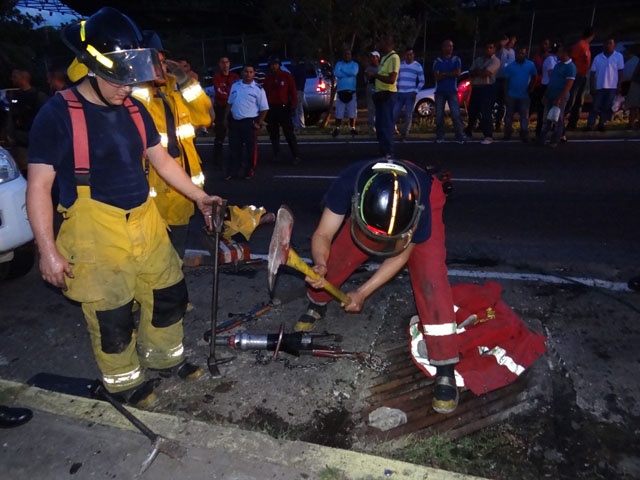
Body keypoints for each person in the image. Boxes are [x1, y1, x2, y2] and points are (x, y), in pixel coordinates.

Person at [25, 7, 224, 408]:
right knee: (112, 315)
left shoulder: (134, 109)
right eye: (118, 79)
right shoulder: (58, 114)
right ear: (90, 68)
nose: (127, 87)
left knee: (168, 291)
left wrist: (200, 197)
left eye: (130, 78)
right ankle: (123, 382)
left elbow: (163, 160)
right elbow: (38, 186)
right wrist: (47, 251)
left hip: (145, 221)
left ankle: (164, 359)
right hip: (93, 229)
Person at [295, 159, 460, 414]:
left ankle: (446, 365)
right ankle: (317, 302)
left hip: (425, 197)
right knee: (338, 254)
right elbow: (323, 234)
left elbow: (402, 256)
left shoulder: (421, 203)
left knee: (431, 278)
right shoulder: (348, 184)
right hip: (368, 210)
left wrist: (362, 292)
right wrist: (320, 265)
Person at [131, 32, 212, 259]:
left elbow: (205, 116)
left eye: (161, 60)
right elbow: (137, 104)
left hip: (182, 197)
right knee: (150, 262)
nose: (161, 66)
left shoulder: (172, 97)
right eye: (153, 60)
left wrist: (185, 80)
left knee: (174, 261)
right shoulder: (135, 97)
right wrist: (143, 77)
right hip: (150, 203)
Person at [225, 64, 269, 179]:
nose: (248, 74)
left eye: (250, 72)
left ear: (254, 74)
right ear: (242, 73)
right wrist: (225, 118)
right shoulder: (235, 86)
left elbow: (264, 108)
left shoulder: (258, 89)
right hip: (235, 121)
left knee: (251, 150)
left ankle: (249, 171)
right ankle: (233, 171)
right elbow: (230, 103)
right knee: (234, 148)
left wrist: (259, 123)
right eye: (246, 72)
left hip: (250, 122)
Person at [6, 68, 48, 173]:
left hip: (37, 137)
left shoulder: (38, 96)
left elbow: (47, 118)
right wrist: (10, 133)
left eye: (15, 77)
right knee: (23, 167)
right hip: (20, 138)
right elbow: (11, 115)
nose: (12, 79)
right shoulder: (15, 95)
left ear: (24, 78)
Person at [367, 35, 400, 157]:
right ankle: (383, 150)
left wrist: (375, 75)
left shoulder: (394, 57)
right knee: (380, 125)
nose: (378, 46)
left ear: (387, 44)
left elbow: (392, 79)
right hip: (380, 93)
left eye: (381, 43)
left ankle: (389, 152)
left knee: (386, 124)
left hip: (388, 93)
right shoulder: (385, 58)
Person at [263, 57, 300, 165]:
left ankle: (295, 155)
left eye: (275, 64)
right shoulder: (268, 78)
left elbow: (293, 91)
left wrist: (294, 105)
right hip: (271, 108)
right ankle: (277, 154)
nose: (274, 66)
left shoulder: (286, 76)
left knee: (289, 132)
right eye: (271, 65)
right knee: (273, 133)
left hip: (284, 107)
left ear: (279, 65)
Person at [537, 44, 576, 148]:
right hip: (551, 94)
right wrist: (546, 93)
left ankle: (555, 140)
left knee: (558, 119)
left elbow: (569, 85)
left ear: (565, 53)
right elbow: (552, 81)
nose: (557, 54)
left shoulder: (570, 67)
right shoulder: (558, 65)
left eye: (559, 52)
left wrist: (559, 98)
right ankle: (542, 138)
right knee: (546, 118)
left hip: (560, 96)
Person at [465, 41, 500, 144]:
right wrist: (480, 71)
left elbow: (487, 73)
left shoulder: (495, 60)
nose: (488, 50)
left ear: (494, 49)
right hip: (476, 87)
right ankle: (468, 132)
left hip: (487, 88)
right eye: (487, 48)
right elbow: (470, 71)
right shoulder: (478, 59)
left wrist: (478, 71)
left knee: (486, 112)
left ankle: (488, 135)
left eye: (491, 47)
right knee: (472, 111)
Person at [587, 35, 624, 132]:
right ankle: (590, 125)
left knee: (606, 107)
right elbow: (592, 73)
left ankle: (602, 124)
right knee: (595, 106)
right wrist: (592, 87)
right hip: (599, 87)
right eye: (607, 43)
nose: (608, 46)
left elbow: (620, 72)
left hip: (611, 87)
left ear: (614, 45)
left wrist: (619, 85)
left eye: (610, 44)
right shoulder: (598, 57)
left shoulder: (618, 57)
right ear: (603, 45)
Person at [433, 39, 464, 143]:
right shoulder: (438, 60)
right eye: (448, 46)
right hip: (440, 92)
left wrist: (444, 74)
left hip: (452, 91)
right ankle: (440, 136)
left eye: (451, 46)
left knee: (456, 114)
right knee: (439, 115)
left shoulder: (456, 59)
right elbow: (436, 76)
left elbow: (458, 73)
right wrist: (450, 73)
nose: (450, 48)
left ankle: (459, 136)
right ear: (443, 48)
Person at [211, 56, 240, 169]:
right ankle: (217, 159)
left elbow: (236, 92)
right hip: (221, 108)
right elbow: (219, 92)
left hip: (233, 108)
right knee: (220, 134)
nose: (225, 65)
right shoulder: (217, 77)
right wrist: (229, 96)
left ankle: (235, 158)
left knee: (235, 135)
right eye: (222, 62)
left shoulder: (235, 77)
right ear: (219, 64)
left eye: (226, 62)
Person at [503, 46, 537, 142]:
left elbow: (535, 77)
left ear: (525, 54)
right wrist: (506, 94)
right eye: (519, 53)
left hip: (524, 95)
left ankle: (524, 133)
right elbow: (506, 81)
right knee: (509, 115)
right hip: (511, 94)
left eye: (522, 53)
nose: (520, 55)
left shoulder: (530, 65)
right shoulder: (510, 66)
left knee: (524, 116)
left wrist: (532, 88)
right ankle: (507, 133)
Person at [566, 27, 595, 130]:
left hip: (583, 76)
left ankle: (572, 123)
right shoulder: (580, 46)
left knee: (579, 101)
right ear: (592, 36)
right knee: (571, 100)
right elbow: (573, 60)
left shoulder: (586, 46)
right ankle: (559, 121)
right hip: (576, 76)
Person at [393, 47, 425, 141]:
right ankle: (391, 131)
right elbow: (396, 79)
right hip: (400, 93)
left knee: (408, 114)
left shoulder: (417, 66)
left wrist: (416, 91)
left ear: (413, 55)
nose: (409, 57)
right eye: (407, 55)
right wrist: (396, 89)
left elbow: (422, 81)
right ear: (404, 56)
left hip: (410, 93)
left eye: (411, 54)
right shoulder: (400, 65)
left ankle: (405, 134)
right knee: (394, 113)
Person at [332, 49, 359, 137]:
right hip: (341, 91)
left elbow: (353, 73)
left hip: (351, 91)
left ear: (351, 55)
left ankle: (352, 128)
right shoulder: (338, 64)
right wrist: (347, 73)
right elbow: (337, 73)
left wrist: (343, 71)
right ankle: (337, 128)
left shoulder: (355, 65)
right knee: (339, 112)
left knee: (352, 112)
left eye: (348, 54)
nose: (347, 56)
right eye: (345, 54)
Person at [494, 33, 516, 132]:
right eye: (511, 41)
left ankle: (499, 123)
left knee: (504, 103)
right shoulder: (500, 50)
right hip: (497, 79)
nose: (512, 43)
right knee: (493, 101)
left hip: (507, 80)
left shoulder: (512, 52)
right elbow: (498, 46)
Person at [365, 51, 380, 135]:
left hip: (380, 88)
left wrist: (374, 75)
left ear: (378, 58)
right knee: (371, 108)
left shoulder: (382, 67)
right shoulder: (368, 68)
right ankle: (372, 126)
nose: (372, 59)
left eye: (374, 57)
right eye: (371, 57)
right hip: (371, 88)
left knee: (380, 108)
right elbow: (367, 77)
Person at [290, 59, 307, 131]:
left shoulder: (296, 70)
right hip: (300, 90)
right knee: (299, 108)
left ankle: (298, 125)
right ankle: (300, 124)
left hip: (297, 90)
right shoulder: (302, 70)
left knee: (296, 108)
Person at [625, 60, 640, 130]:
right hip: (637, 82)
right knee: (634, 104)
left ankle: (634, 124)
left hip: (636, 82)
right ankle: (630, 124)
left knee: (635, 105)